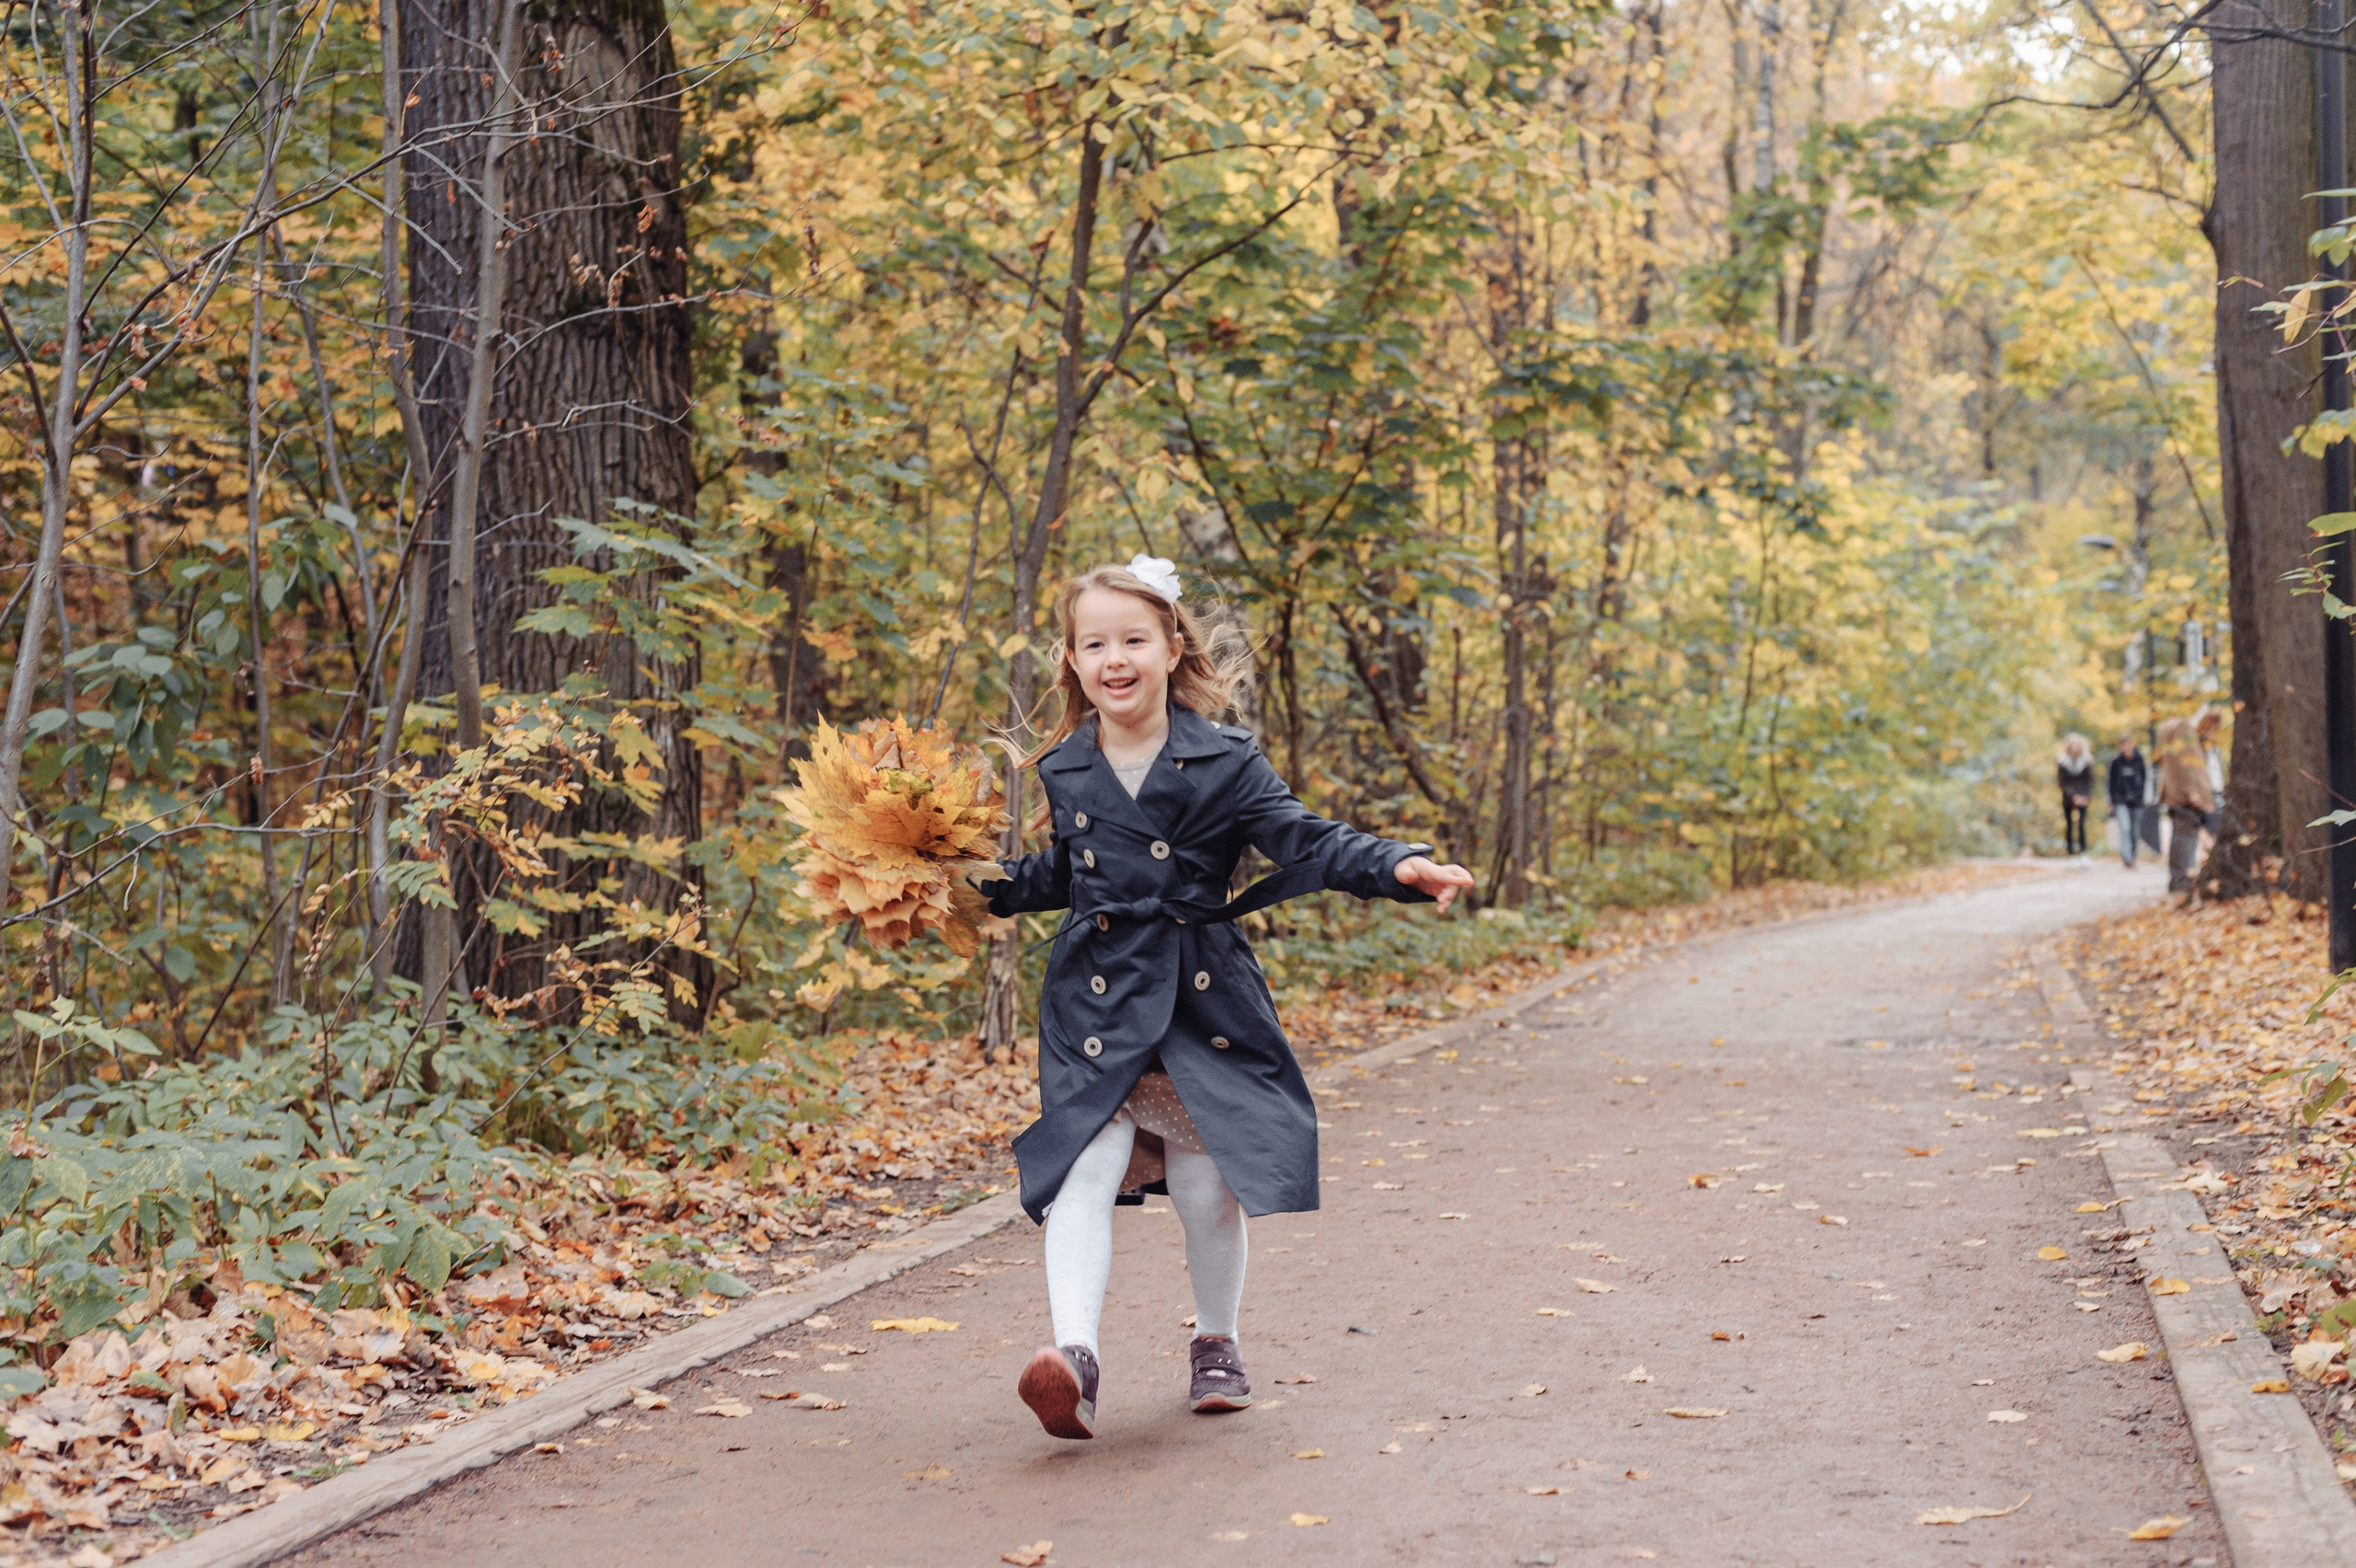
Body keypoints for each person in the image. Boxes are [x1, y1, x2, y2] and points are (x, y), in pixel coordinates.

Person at [977, 556, 1473, 1441]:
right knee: (1082, 1164)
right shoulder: (1067, 766)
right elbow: (1067, 873)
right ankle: (1075, 1360)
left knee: (1208, 1184)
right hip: (1097, 995)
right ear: (1073, 659)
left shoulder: (1225, 758)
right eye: (1095, 643)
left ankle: (1217, 1341)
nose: (1115, 658)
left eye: (1133, 639)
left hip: (1202, 992)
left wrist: (1395, 865)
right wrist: (973, 885)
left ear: (1173, 647)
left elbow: (1303, 839)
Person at [2157, 712, 2217, 894]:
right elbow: (2187, 763)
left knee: (2182, 838)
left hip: (2175, 791)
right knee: (2185, 839)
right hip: (2186, 794)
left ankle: (2179, 879)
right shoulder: (2183, 728)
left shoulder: (2170, 728)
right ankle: (2182, 881)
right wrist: (2192, 791)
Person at [2107, 735, 2147, 869]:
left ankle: (2133, 856)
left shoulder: (2139, 760)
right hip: (2120, 800)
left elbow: (2145, 780)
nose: (2126, 747)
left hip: (2137, 801)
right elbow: (2110, 783)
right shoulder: (2116, 762)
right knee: (2125, 828)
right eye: (2123, 744)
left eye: (2128, 744)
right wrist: (2111, 801)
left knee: (2134, 831)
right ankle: (2127, 857)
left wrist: (2144, 797)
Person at [2056, 734, 2094, 860]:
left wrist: (2084, 796)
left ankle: (2083, 853)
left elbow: (2089, 781)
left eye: (2077, 745)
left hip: (2083, 799)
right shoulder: (2063, 763)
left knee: (2082, 825)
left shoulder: (2086, 762)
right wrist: (2074, 797)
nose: (2075, 748)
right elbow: (2062, 783)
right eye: (2073, 745)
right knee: (2069, 826)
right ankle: (2071, 854)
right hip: (2068, 799)